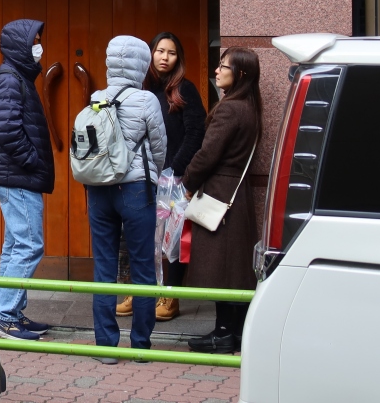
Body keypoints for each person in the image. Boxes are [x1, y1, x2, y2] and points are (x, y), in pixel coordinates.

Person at [84, 35, 167, 363]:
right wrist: (152, 175)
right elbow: (159, 148)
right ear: (142, 64)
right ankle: (140, 346)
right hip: (136, 190)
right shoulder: (147, 100)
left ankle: (106, 346)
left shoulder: (96, 98)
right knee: (142, 266)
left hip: (98, 188)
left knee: (104, 264)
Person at [183, 46, 262, 355]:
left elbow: (207, 154)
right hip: (236, 196)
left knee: (221, 268)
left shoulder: (230, 109)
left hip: (219, 195)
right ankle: (234, 332)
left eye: (223, 66)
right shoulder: (250, 107)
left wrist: (188, 181)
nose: (216, 71)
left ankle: (223, 334)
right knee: (234, 268)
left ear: (239, 73)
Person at [0, 18, 56, 341]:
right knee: (29, 245)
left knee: (15, 245)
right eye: (34, 41)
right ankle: (2, 316)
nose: (38, 47)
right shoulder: (10, 80)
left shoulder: (17, 77)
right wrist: (31, 160)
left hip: (16, 176)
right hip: (18, 177)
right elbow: (7, 129)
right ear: (20, 45)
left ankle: (10, 313)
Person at [137, 31, 206, 321]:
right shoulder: (142, 90)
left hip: (175, 179)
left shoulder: (184, 90)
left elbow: (196, 134)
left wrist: (175, 170)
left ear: (179, 59)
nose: (165, 57)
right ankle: (140, 293)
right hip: (145, 178)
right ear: (151, 54)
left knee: (174, 238)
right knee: (143, 236)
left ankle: (171, 295)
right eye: (160, 51)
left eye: (172, 52)